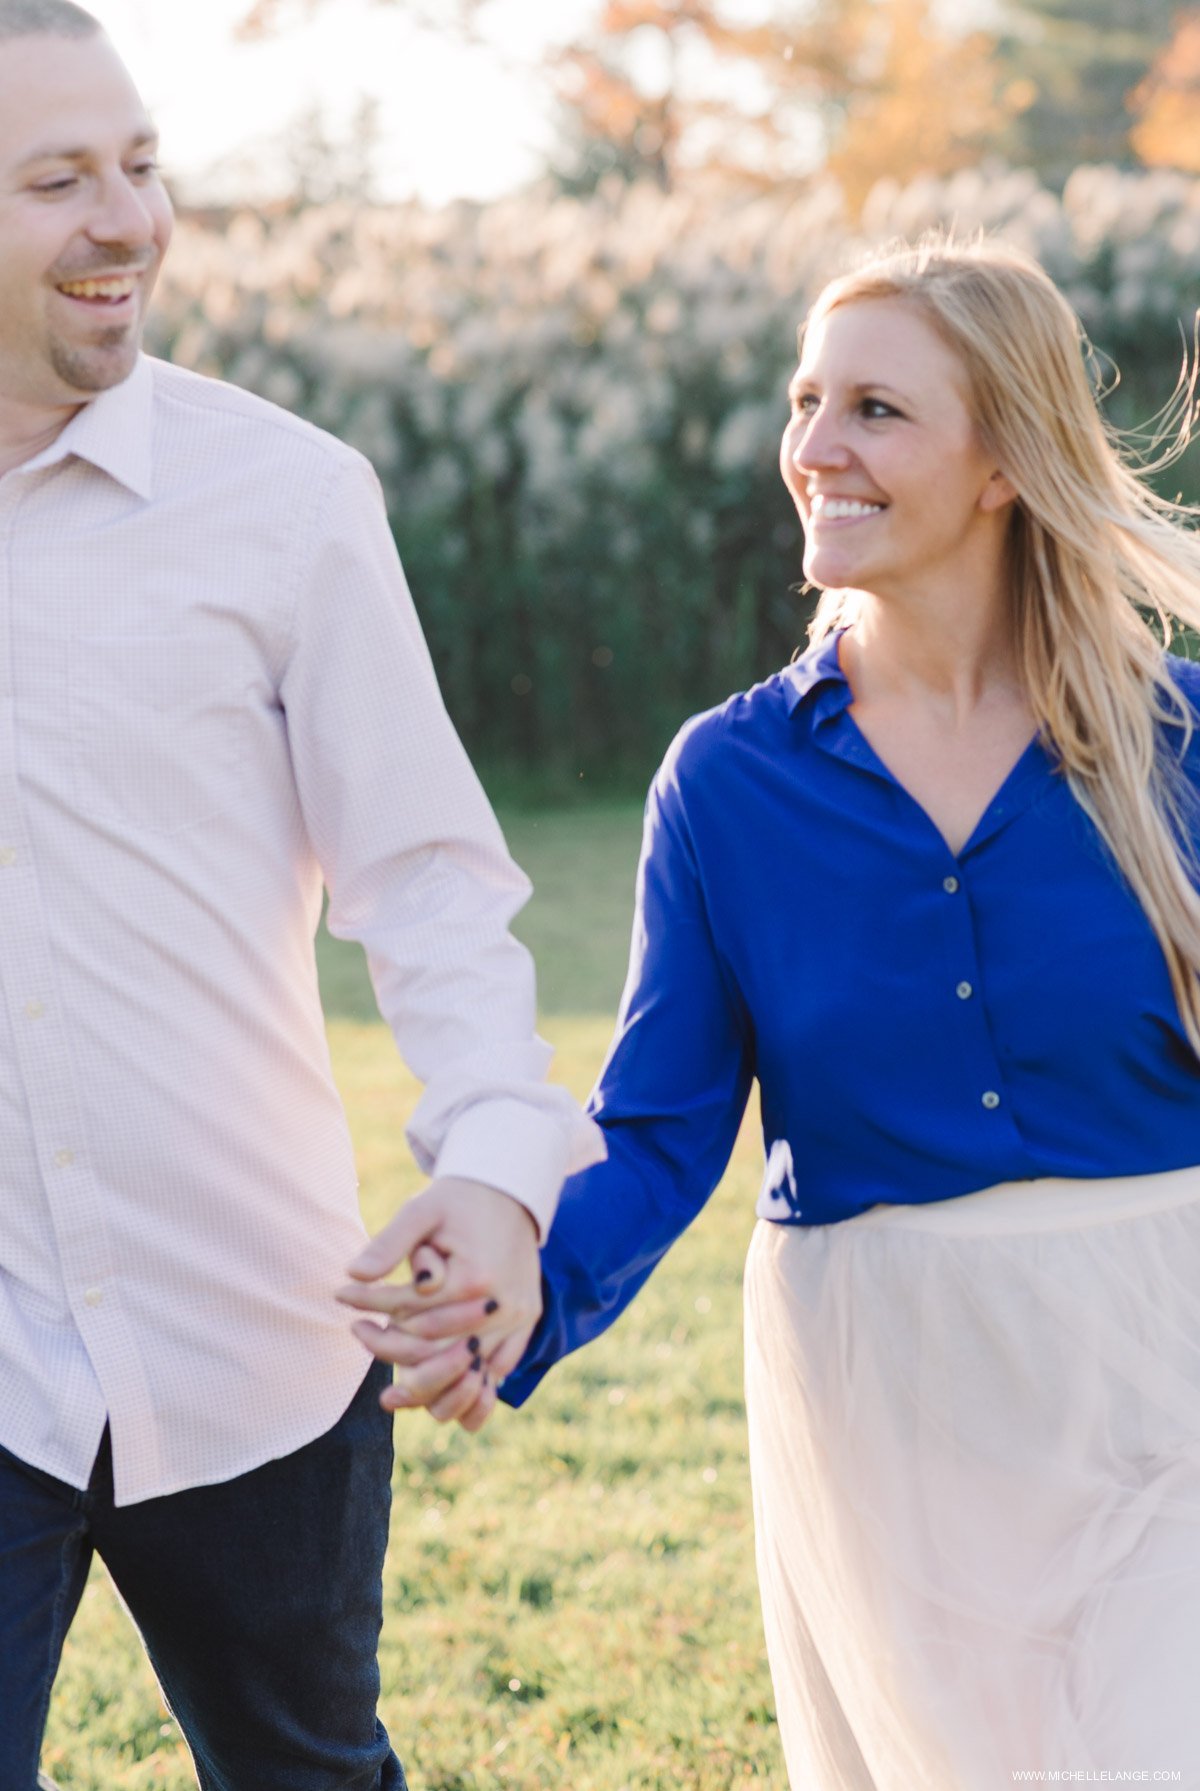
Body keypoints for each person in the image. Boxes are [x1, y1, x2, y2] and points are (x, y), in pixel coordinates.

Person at [346, 235, 1200, 1788]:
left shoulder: (1179, 746)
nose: (814, 449)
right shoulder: (731, 785)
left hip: (1165, 1360)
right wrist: (527, 1281)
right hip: (895, 1398)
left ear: (1003, 459)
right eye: (806, 402)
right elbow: (661, 1134)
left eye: (875, 409)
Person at [0, 4, 602, 1787]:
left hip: (258, 1335)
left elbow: (424, 882)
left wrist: (497, 1166)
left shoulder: (285, 501)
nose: (130, 222)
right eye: (56, 181)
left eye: (141, 164)